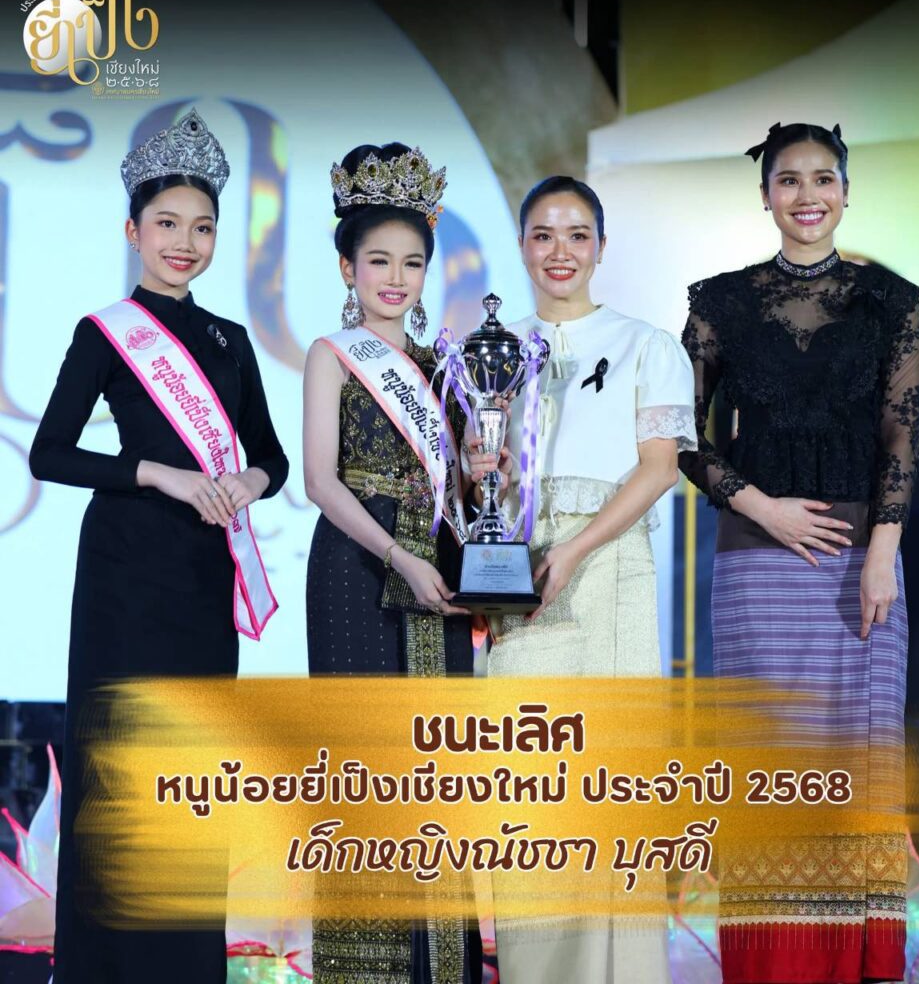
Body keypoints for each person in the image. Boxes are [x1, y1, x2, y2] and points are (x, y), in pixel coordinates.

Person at [29, 108, 288, 983]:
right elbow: (49, 454)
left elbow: (274, 458)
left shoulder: (231, 341)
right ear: (132, 231)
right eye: (167, 224)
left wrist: (247, 483)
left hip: (201, 577)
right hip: (123, 573)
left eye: (202, 227)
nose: (185, 242)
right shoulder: (104, 333)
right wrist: (158, 474)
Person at [678, 121, 919, 984]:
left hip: (863, 564)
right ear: (765, 196)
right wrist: (762, 507)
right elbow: (679, 433)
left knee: (859, 766)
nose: (807, 195)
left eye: (824, 179)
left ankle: (856, 961)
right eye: (789, 180)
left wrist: (881, 551)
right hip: (756, 562)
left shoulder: (891, 301)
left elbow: (900, 437)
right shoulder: (720, 303)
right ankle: (774, 963)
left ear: (846, 192)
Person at [474, 176, 696, 983]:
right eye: (543, 235)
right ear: (522, 246)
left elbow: (659, 468)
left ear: (601, 246)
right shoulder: (491, 350)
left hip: (610, 572)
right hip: (523, 580)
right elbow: (479, 483)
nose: (559, 252)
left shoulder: (646, 344)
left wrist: (574, 550)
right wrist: (484, 474)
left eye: (576, 235)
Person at [303, 142, 480, 983]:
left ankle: (442, 969)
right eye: (379, 260)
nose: (396, 278)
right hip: (355, 563)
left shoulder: (446, 365)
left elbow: (465, 493)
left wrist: (484, 472)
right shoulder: (332, 354)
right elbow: (320, 481)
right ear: (349, 267)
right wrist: (397, 559)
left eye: (412, 262)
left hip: (434, 563)